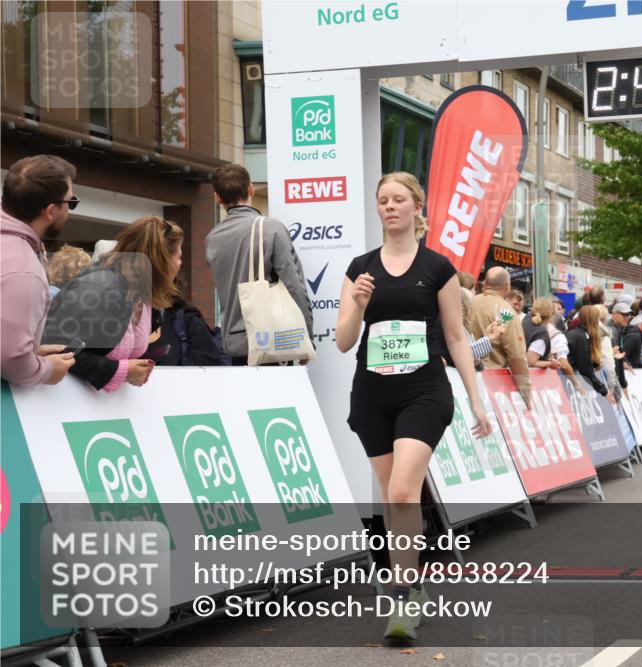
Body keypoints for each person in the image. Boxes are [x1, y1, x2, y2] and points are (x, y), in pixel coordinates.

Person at [335, 172, 491, 642]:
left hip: (423, 389)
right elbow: (343, 342)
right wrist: (359, 305)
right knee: (390, 496)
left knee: (404, 490)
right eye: (382, 200)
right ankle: (413, 582)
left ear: (417, 207)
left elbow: (457, 337)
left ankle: (402, 598)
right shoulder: (360, 268)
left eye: (399, 199)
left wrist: (475, 398)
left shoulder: (437, 267)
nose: (389, 207)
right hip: (373, 391)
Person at [45, 216, 182, 391]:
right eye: (178, 256)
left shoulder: (142, 295)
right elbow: (59, 350)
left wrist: (133, 369)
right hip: (58, 406)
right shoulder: (101, 289)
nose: (180, 264)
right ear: (161, 261)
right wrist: (120, 371)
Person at [206, 163, 312, 365]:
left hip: (234, 345)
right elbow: (294, 285)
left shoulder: (212, 238)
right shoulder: (270, 228)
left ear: (217, 198)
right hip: (273, 340)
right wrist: (307, 338)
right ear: (250, 189)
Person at [1, 155, 78, 385]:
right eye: (71, 202)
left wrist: (30, 351)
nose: (70, 210)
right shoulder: (23, 270)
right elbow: (8, 359)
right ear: (51, 211)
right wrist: (45, 370)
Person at [470, 267, 532, 404]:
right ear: (507, 286)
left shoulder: (470, 302)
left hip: (465, 376)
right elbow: (516, 355)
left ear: (485, 283)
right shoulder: (506, 312)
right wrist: (526, 391)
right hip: (494, 383)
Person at [566, 305, 611, 400]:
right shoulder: (580, 336)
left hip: (570, 378)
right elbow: (585, 368)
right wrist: (604, 391)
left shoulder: (580, 334)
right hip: (568, 380)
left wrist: (594, 364)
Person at [523, 298, 558, 369]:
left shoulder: (524, 322)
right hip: (529, 376)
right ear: (551, 315)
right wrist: (550, 363)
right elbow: (530, 361)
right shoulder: (541, 332)